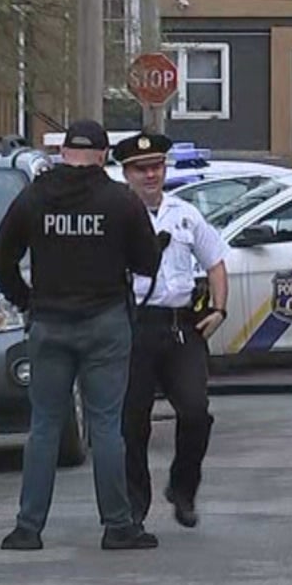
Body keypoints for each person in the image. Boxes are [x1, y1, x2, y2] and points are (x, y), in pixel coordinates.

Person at [0, 120, 163, 550]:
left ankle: (28, 528)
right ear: (104, 155)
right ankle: (118, 525)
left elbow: (0, 260)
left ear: (64, 152)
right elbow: (147, 264)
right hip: (105, 321)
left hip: (49, 322)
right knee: (106, 425)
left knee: (45, 426)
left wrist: (26, 300)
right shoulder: (119, 200)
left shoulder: (34, 196)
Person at [114, 132, 230, 530]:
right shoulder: (117, 216)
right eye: (141, 169)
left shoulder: (184, 213)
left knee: (196, 412)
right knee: (133, 422)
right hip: (135, 327)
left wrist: (219, 309)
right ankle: (134, 507)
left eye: (157, 167)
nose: (150, 175)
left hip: (180, 325)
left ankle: (183, 489)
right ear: (125, 173)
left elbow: (215, 261)